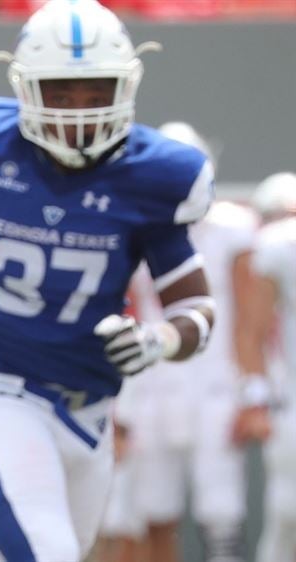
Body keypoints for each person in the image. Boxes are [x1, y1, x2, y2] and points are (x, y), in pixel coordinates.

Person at [0, 1, 217, 560]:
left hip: (92, 411)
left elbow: (195, 306)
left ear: (126, 86)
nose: (79, 111)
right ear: (24, 88)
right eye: (60, 92)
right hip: (1, 392)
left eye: (96, 92)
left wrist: (160, 339)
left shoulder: (156, 175)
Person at [114, 122, 255, 562]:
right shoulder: (136, 230)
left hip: (215, 379)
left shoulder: (234, 230)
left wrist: (250, 387)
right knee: (154, 509)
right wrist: (123, 400)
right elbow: (128, 313)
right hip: (155, 379)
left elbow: (248, 317)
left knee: (220, 513)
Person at [235, 171, 296, 562]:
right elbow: (253, 332)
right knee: (287, 514)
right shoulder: (277, 247)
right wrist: (256, 397)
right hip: (289, 399)